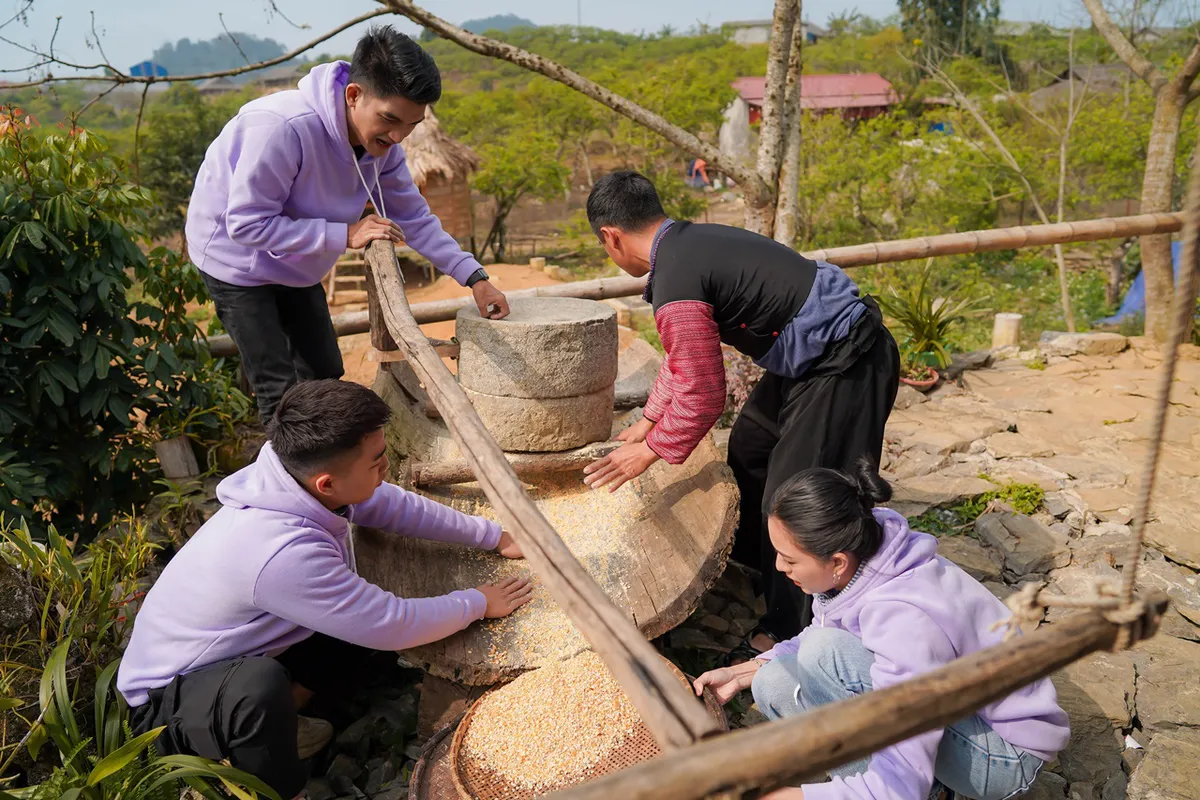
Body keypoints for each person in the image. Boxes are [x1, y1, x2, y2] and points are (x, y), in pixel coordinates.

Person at [117, 380, 532, 799]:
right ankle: (265, 780)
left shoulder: (289, 476)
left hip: (232, 654)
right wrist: (478, 602)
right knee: (258, 688)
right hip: (164, 707)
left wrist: (494, 536)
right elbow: (391, 624)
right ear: (327, 484)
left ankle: (286, 714)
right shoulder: (278, 552)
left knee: (347, 616)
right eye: (377, 460)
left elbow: (388, 503)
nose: (385, 467)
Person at [582, 171, 900, 654]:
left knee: (796, 498)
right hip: (808, 357)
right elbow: (683, 360)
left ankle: (794, 628)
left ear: (611, 235)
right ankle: (767, 565)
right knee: (751, 447)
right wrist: (647, 421)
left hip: (846, 360)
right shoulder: (686, 242)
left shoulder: (675, 279)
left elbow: (705, 393)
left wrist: (648, 452)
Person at [186, 26, 510, 423]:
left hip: (299, 258)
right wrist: (346, 234)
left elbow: (415, 218)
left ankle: (330, 467)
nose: (398, 136)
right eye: (390, 120)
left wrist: (474, 277)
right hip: (237, 260)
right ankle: (300, 481)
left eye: (411, 125)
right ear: (354, 95)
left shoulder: (385, 147)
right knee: (278, 392)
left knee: (324, 372)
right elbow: (247, 225)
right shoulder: (282, 128)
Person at [692, 462, 1070, 800]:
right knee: (773, 682)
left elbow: (902, 780)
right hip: (945, 709)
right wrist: (742, 673)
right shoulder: (865, 554)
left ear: (836, 562)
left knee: (825, 655)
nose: (778, 567)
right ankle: (892, 785)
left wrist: (787, 796)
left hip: (1001, 754)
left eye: (789, 559)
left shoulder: (903, 617)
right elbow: (822, 633)